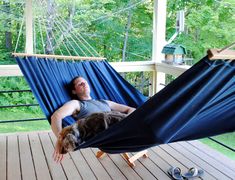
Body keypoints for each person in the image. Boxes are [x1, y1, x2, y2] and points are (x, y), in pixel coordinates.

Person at [51, 76, 136, 162]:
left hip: (122, 126)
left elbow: (131, 109)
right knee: (101, 117)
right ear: (74, 91)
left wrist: (128, 120)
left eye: (85, 82)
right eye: (80, 84)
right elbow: (56, 116)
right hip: (103, 131)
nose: (84, 83)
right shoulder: (77, 104)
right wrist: (60, 139)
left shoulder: (104, 102)